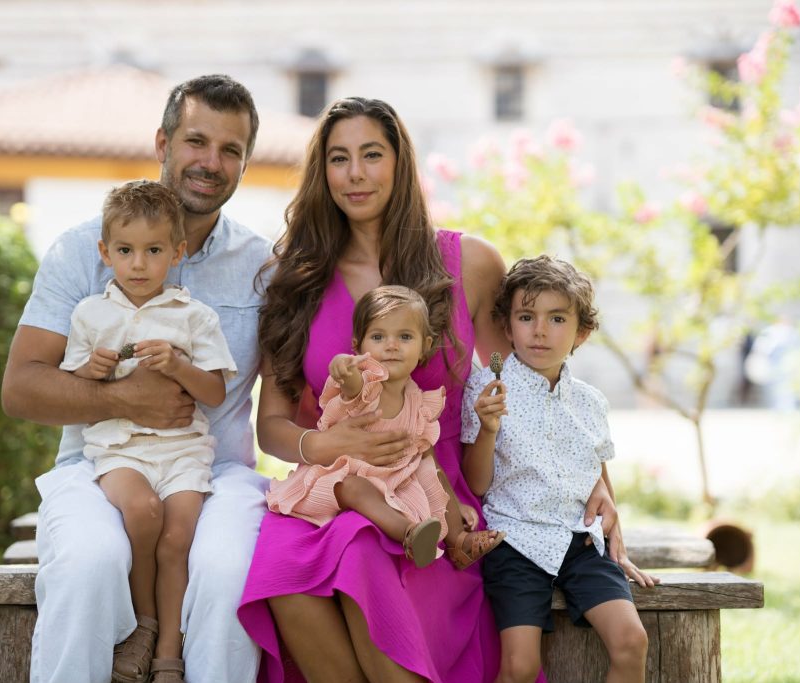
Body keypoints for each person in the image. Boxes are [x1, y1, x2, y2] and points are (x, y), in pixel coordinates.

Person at [238, 96, 622, 683]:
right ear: (323, 173)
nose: (357, 173)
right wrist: (325, 444)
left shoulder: (466, 262)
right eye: (339, 158)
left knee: (362, 549)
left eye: (372, 154)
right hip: (334, 486)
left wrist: (595, 478)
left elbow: (525, 381)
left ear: (400, 163)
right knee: (280, 566)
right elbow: (273, 426)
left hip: (435, 496)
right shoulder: (296, 280)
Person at [1, 75, 271, 683]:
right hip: (99, 466)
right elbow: (20, 388)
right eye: (197, 141)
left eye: (231, 150)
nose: (211, 162)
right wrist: (121, 398)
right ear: (163, 142)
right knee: (90, 563)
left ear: (245, 163)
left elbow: (283, 401)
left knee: (229, 569)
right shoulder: (83, 251)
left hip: (212, 471)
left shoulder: (262, 267)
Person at [59, 180, 238, 682]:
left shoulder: (193, 316)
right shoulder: (90, 314)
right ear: (105, 252)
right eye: (125, 250)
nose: (139, 264)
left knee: (178, 536)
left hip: (184, 452)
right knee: (142, 511)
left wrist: (180, 366)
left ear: (177, 253)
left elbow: (214, 393)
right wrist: (93, 370)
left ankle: (167, 650)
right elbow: (73, 383)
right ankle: (144, 622)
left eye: (153, 250)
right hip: (120, 448)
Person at [462, 255, 658, 683]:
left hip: (580, 544)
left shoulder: (589, 402)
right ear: (508, 326)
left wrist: (616, 548)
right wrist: (489, 428)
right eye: (526, 316)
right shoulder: (486, 389)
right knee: (519, 667)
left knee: (632, 642)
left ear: (580, 333)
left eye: (556, 319)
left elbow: (598, 479)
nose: (539, 330)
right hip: (515, 542)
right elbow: (476, 483)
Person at [266, 285, 505, 570]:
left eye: (404, 337)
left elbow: (426, 454)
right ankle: (408, 534)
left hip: (395, 479)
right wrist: (343, 367)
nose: (391, 346)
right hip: (346, 475)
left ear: (425, 345)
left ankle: (458, 540)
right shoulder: (366, 383)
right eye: (378, 337)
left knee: (432, 469)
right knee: (355, 487)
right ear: (359, 346)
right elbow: (350, 387)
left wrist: (450, 504)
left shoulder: (418, 399)